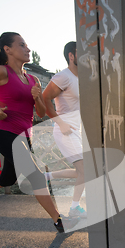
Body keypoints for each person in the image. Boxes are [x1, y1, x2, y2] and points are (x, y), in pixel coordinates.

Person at [0, 32, 65, 233]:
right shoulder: (0, 72)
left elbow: (41, 113)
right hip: (5, 133)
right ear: (7, 49)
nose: (27, 49)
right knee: (35, 176)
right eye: (22, 45)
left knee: (7, 179)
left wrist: (37, 98)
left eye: (27, 45)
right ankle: (58, 220)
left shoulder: (33, 78)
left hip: (26, 136)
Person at [43, 41, 86, 218]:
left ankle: (47, 176)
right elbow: (44, 99)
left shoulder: (80, 78)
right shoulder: (63, 76)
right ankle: (74, 208)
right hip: (65, 130)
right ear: (71, 55)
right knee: (86, 170)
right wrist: (60, 123)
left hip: (77, 130)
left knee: (82, 170)